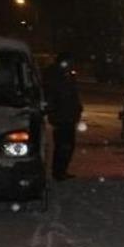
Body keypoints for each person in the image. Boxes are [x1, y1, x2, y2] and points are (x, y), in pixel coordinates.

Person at [43, 52, 82, 181]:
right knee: (63, 145)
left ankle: (61, 171)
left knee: (66, 145)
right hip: (62, 116)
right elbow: (56, 96)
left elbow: (72, 95)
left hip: (66, 115)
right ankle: (59, 171)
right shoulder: (57, 76)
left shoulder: (66, 75)